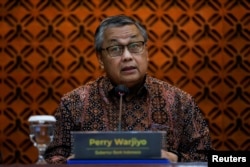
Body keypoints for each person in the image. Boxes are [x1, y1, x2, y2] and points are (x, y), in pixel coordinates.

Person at [44, 14, 213, 164]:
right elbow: (52, 158)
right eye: (115, 49)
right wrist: (71, 162)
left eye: (134, 46)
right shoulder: (73, 104)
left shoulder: (180, 102)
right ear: (100, 59)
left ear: (146, 51)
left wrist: (175, 159)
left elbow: (206, 157)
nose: (127, 56)